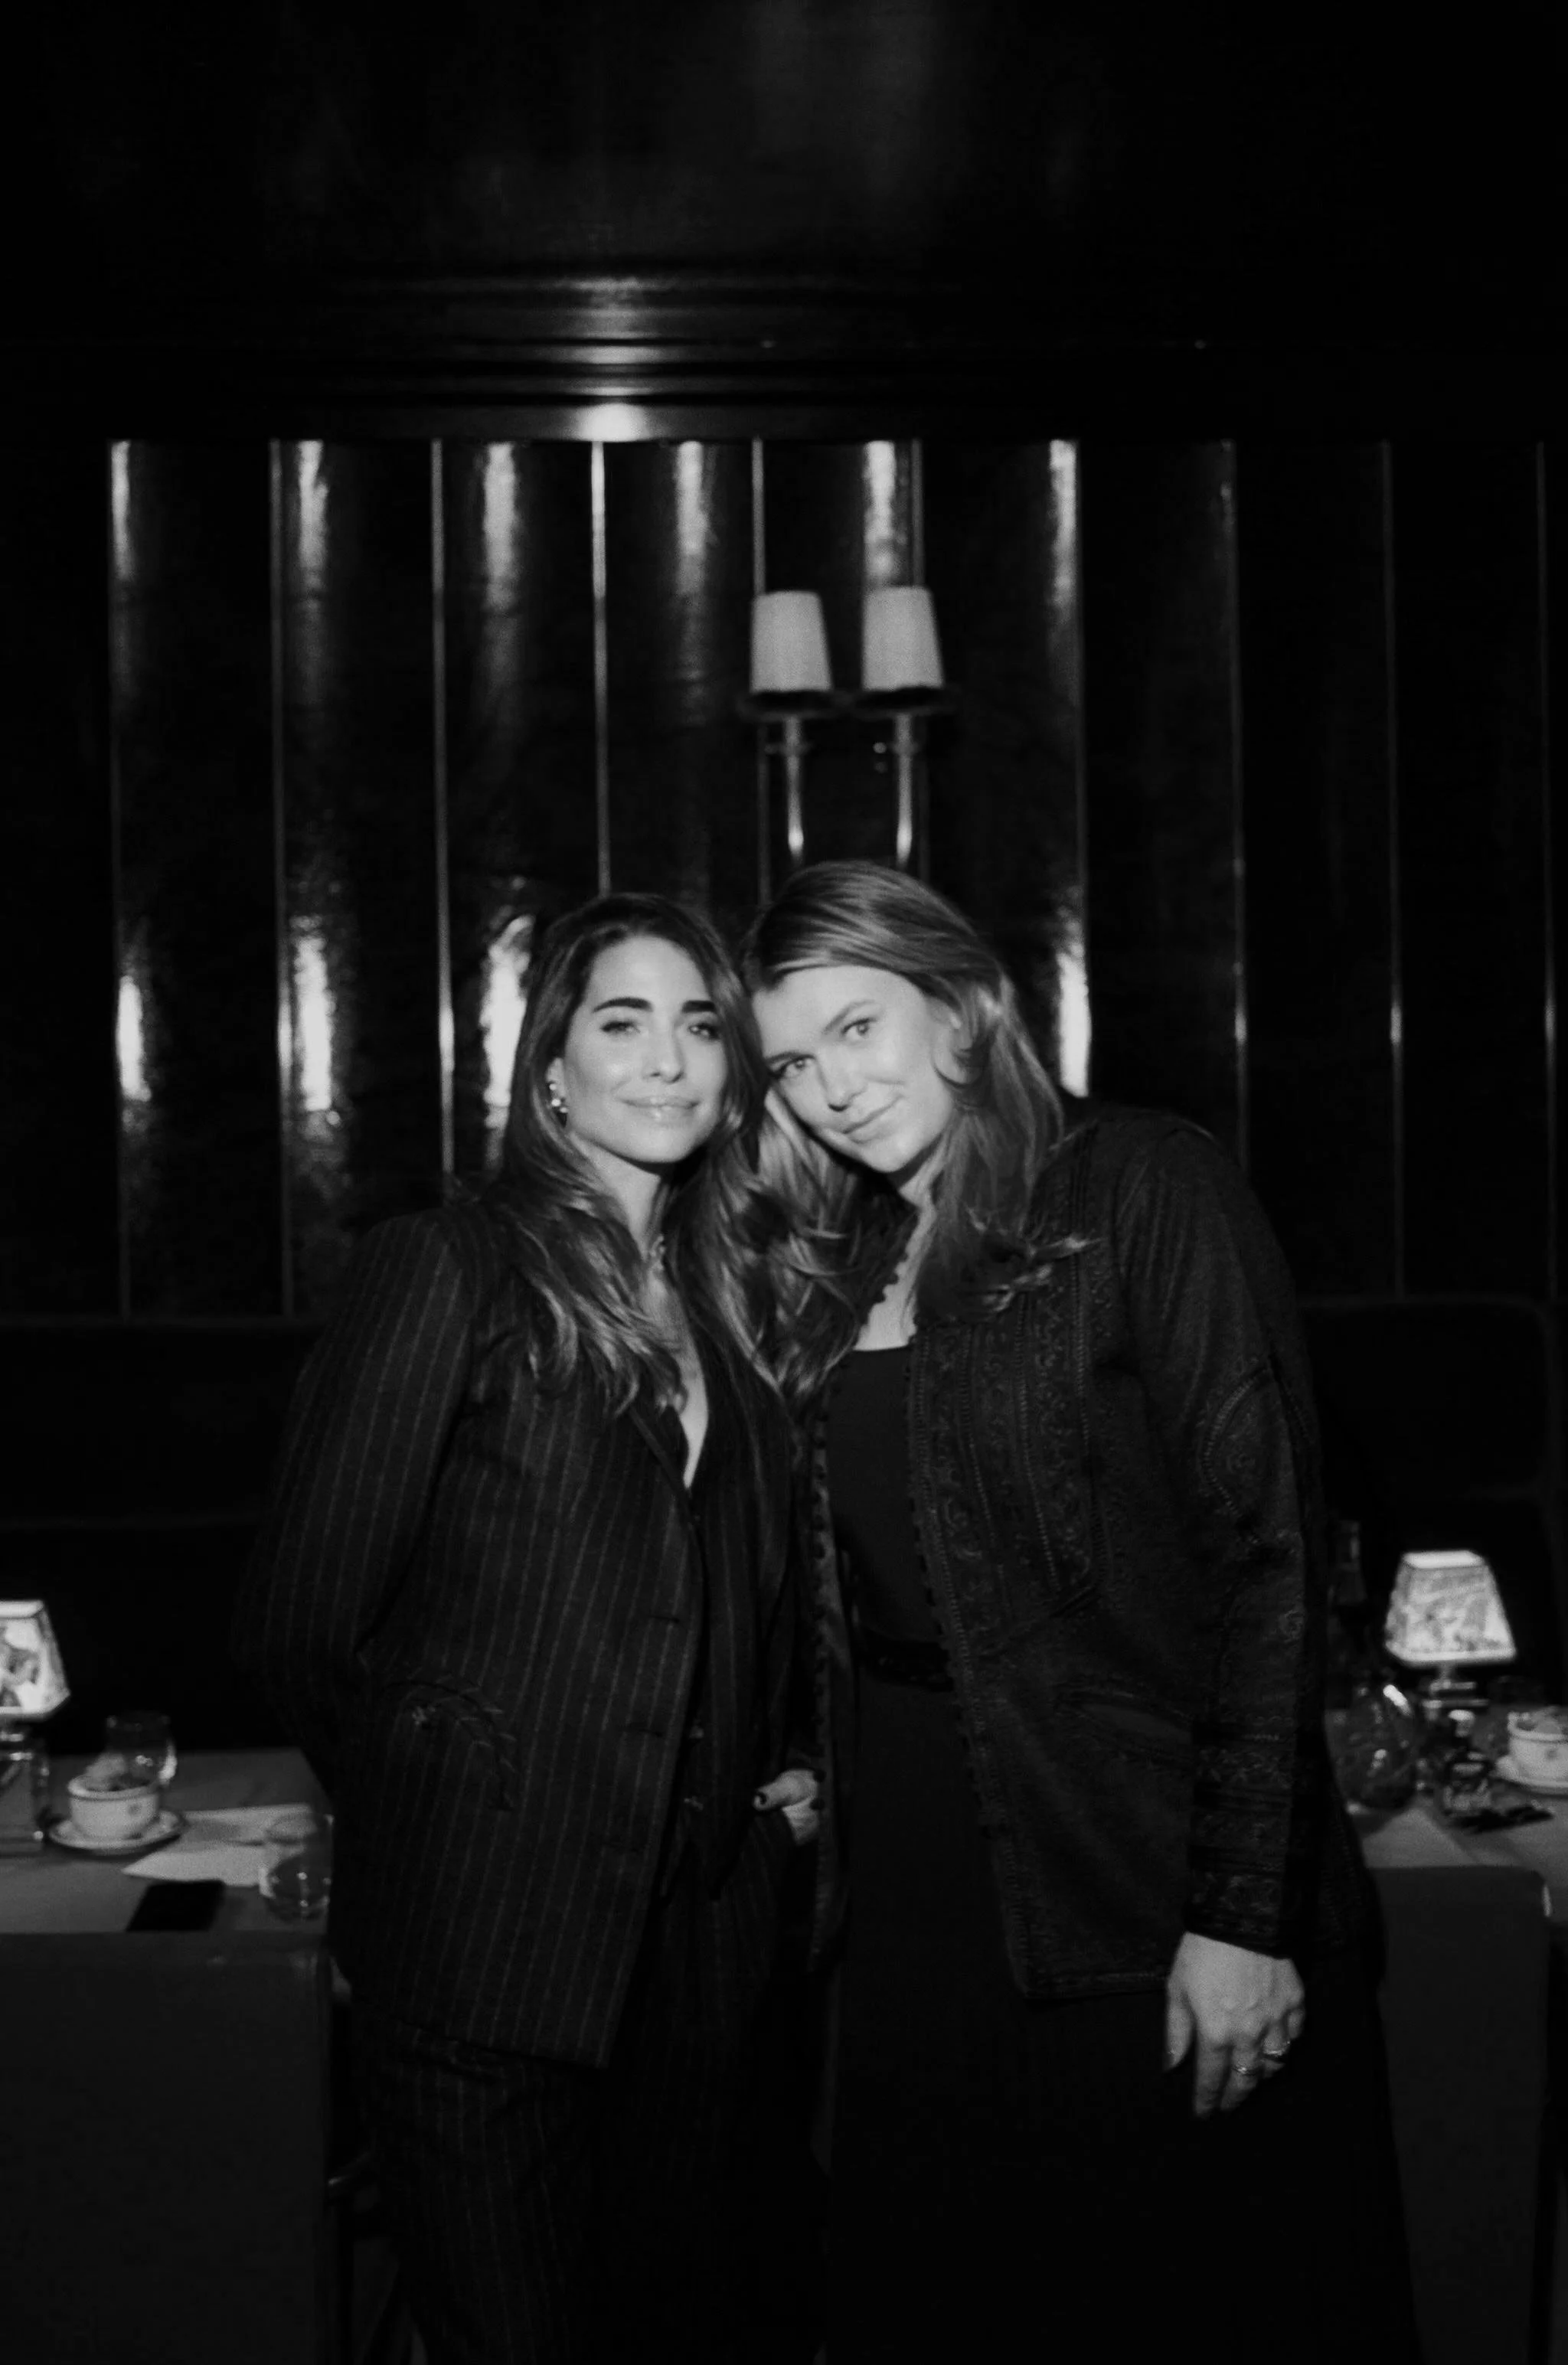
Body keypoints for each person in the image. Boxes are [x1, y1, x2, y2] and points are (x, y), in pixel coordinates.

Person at [743, 861, 1419, 2364]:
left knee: (1167, 2297)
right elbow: (868, 1568)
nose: (830, 1088)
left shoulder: (1139, 1182)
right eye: (791, 1062)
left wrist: (1238, 1913)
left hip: (1129, 1865)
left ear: (961, 1009)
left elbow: (1268, 1558)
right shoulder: (852, 1253)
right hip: (913, 1886)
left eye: (859, 1028)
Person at [233, 893, 817, 2365]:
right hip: (486, 1951)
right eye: (623, 1021)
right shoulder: (450, 1268)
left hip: (701, 1960)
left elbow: (762, 1585)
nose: (670, 1060)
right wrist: (453, 1817)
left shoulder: (733, 1299)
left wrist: (784, 1788)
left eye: (700, 1025)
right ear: (551, 1066)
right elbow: (301, 1620)